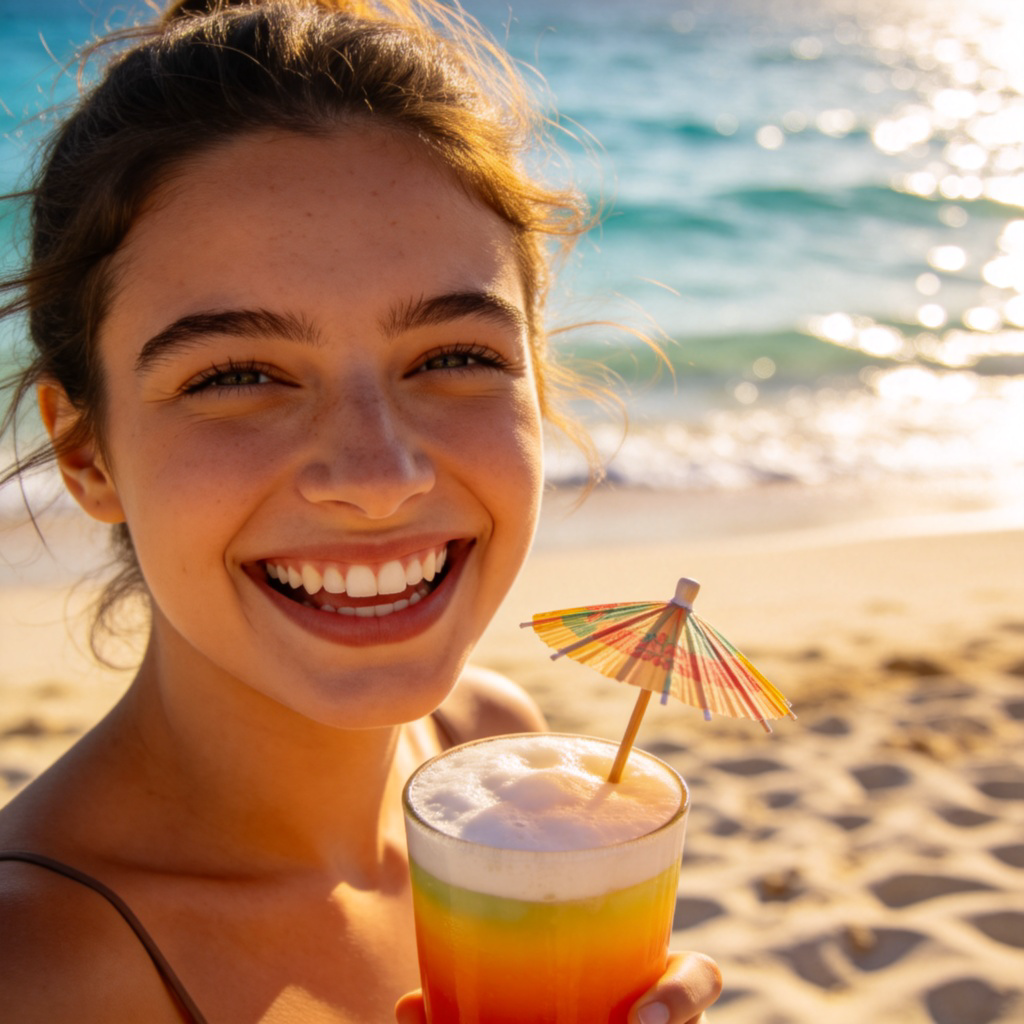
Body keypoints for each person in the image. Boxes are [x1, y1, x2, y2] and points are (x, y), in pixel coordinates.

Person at [0, 1, 723, 1020]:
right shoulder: (39, 968)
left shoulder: (489, 753)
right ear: (86, 452)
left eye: (452, 357)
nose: (378, 474)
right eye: (239, 373)